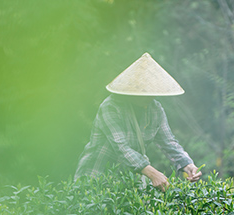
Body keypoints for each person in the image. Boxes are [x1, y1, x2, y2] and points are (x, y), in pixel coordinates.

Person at [75, 52, 202, 190]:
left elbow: (169, 142)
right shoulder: (111, 107)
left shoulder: (155, 109)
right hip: (97, 175)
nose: (148, 96)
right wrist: (153, 174)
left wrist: (187, 164)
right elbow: (121, 147)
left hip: (127, 182)